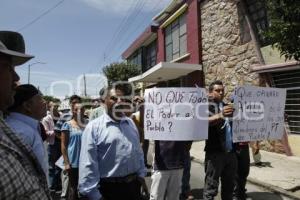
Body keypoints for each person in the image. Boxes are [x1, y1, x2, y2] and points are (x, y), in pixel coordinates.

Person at [0, 30, 50, 199]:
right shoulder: (21, 132)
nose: (16, 78)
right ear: (27, 106)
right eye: (8, 67)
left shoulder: (9, 129)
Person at [78, 85, 147, 200]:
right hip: (109, 190)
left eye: (123, 99)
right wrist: (95, 195)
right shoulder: (93, 128)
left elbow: (138, 152)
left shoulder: (130, 123)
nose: (119, 102)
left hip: (134, 187)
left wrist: (141, 177)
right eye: (114, 98)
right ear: (103, 102)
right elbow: (88, 164)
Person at [203, 80, 237, 200]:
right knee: (211, 188)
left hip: (230, 153)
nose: (221, 92)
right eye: (218, 90)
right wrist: (220, 115)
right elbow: (202, 123)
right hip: (215, 154)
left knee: (229, 187)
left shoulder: (227, 106)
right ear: (211, 92)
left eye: (222, 90)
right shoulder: (206, 106)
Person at [5, 84, 48, 175]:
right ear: (27, 106)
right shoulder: (21, 132)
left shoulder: (27, 128)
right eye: (40, 98)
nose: (45, 102)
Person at [55, 94, 82, 199]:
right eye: (74, 103)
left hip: (84, 161)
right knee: (71, 186)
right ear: (71, 105)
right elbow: (57, 132)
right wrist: (66, 139)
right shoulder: (65, 118)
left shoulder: (87, 121)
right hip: (72, 159)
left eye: (78, 103)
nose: (77, 107)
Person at [61, 103, 86, 200]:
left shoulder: (88, 123)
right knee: (73, 188)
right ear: (73, 111)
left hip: (86, 161)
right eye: (77, 109)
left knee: (85, 187)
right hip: (73, 162)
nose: (80, 111)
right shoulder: (67, 125)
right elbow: (63, 145)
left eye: (82, 109)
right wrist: (66, 162)